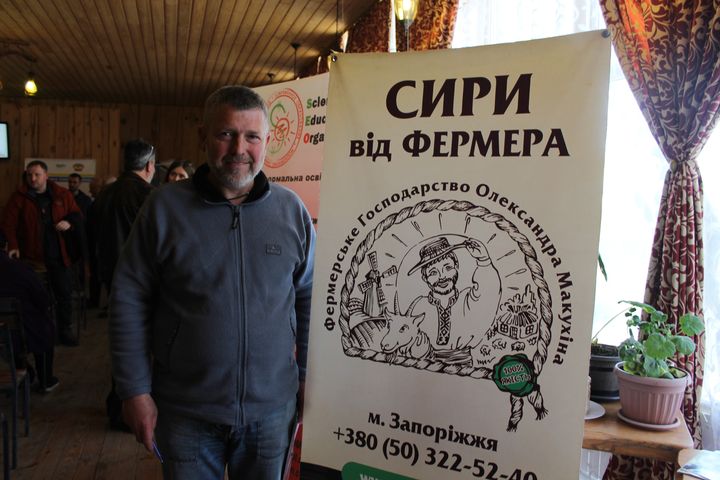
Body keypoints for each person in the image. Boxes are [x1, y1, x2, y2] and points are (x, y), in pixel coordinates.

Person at [109, 85, 315, 479]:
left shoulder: (291, 212)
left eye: (252, 136)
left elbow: (308, 299)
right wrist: (133, 390)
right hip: (185, 412)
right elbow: (128, 300)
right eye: (226, 134)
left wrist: (307, 376)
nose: (239, 148)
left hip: (271, 412)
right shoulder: (163, 208)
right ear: (204, 136)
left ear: (267, 141)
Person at [92, 138, 155, 430]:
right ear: (150, 166)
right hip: (141, 281)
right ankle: (126, 410)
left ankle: (117, 406)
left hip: (110, 276)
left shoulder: (105, 194)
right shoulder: (149, 196)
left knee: (122, 343)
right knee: (142, 347)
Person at [1, 160, 82, 346]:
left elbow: (77, 214)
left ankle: (65, 330)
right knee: (36, 297)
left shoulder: (62, 194)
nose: (33, 178)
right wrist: (13, 245)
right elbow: (8, 224)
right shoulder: (18, 197)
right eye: (30, 175)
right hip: (32, 257)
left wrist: (69, 222)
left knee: (64, 295)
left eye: (37, 174)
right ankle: (41, 332)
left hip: (59, 255)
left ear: (46, 175)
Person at [407, 236, 501, 351]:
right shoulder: (418, 305)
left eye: (447, 268)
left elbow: (489, 290)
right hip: (423, 361)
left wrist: (484, 260)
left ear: (456, 267)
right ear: (424, 278)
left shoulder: (467, 299)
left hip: (463, 361)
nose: (442, 277)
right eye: (433, 273)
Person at [0, 232, 59, 392]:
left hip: (3, 335)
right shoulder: (20, 269)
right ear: (6, 247)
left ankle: (24, 372)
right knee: (44, 326)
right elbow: (43, 299)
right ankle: (46, 379)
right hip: (27, 331)